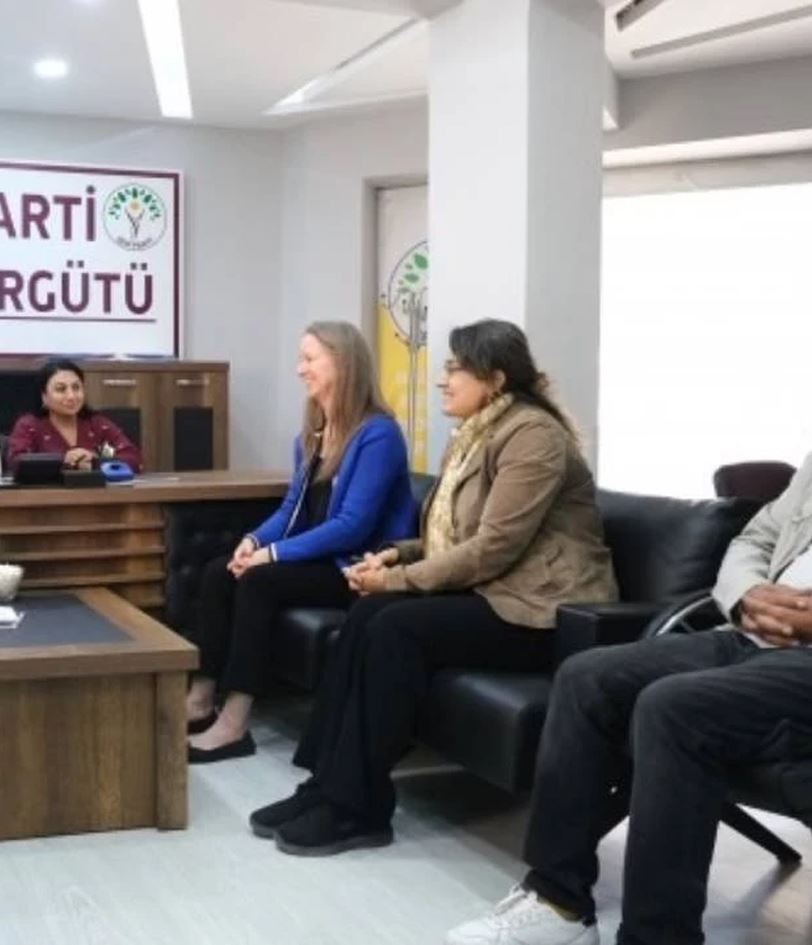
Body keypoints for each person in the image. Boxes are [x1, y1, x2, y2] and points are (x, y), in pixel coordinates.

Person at [250, 319, 618, 858]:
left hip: (540, 612)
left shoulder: (534, 436)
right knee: (369, 613)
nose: (444, 380)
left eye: (455, 369)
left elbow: (493, 547)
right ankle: (326, 785)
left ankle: (359, 807)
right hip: (494, 593)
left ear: (494, 379)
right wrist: (397, 555)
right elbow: (455, 536)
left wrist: (397, 579)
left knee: (395, 626)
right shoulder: (474, 435)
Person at [447, 459, 812, 945]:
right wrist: (748, 594)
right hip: (752, 633)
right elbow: (755, 537)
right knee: (587, 676)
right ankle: (558, 902)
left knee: (674, 707)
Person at [187, 322, 417, 763]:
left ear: (343, 363)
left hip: (356, 567)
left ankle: (234, 723)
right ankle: (199, 700)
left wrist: (271, 556)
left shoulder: (379, 434)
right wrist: (253, 541)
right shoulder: (312, 435)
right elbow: (291, 508)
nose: (300, 369)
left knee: (260, 581)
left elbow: (352, 526)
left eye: (310, 359)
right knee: (219, 571)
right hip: (320, 561)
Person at [5, 358, 142, 472]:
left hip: (96, 494)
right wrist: (64, 461)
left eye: (76, 388)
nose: (71, 396)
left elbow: (134, 459)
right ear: (44, 396)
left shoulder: (98, 424)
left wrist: (95, 462)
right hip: (46, 495)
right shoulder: (29, 425)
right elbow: (16, 463)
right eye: (61, 389)